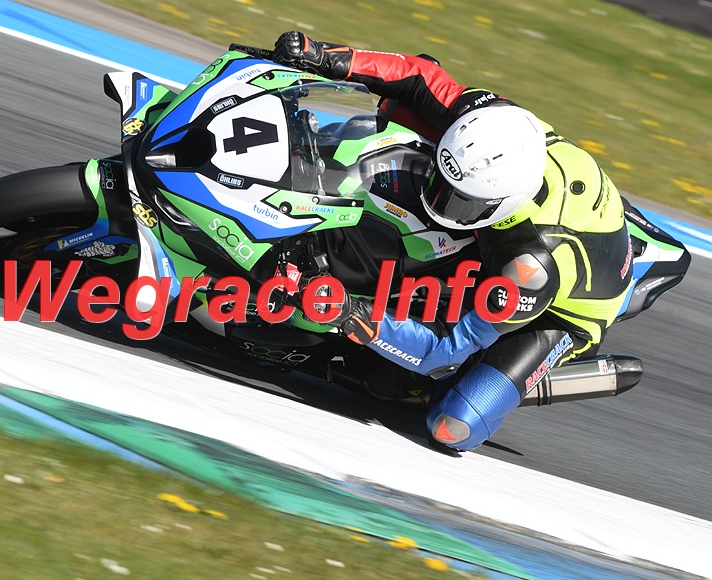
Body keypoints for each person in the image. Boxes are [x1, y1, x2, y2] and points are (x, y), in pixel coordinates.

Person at [270, 31, 634, 451]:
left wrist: (350, 314)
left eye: (459, 200)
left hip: (558, 311)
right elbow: (420, 77)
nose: (439, 201)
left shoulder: (532, 266)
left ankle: (513, 376)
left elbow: (445, 347)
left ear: (501, 203)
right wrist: (325, 56)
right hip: (543, 216)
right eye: (442, 186)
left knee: (450, 424)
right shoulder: (494, 122)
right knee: (404, 105)